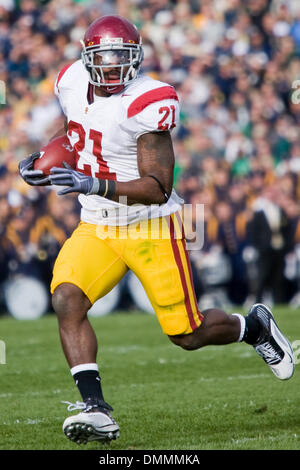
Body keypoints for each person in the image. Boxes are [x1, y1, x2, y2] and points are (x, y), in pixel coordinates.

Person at [19, 15, 295, 446]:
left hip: (152, 224)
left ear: (136, 58)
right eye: (102, 59)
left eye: (120, 59)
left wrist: (91, 183)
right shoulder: (71, 81)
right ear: (86, 58)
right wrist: (45, 158)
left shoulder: (148, 101)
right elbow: (77, 129)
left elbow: (157, 187)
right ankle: (96, 410)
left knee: (186, 333)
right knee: (66, 298)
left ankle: (254, 327)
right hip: (97, 223)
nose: (110, 68)